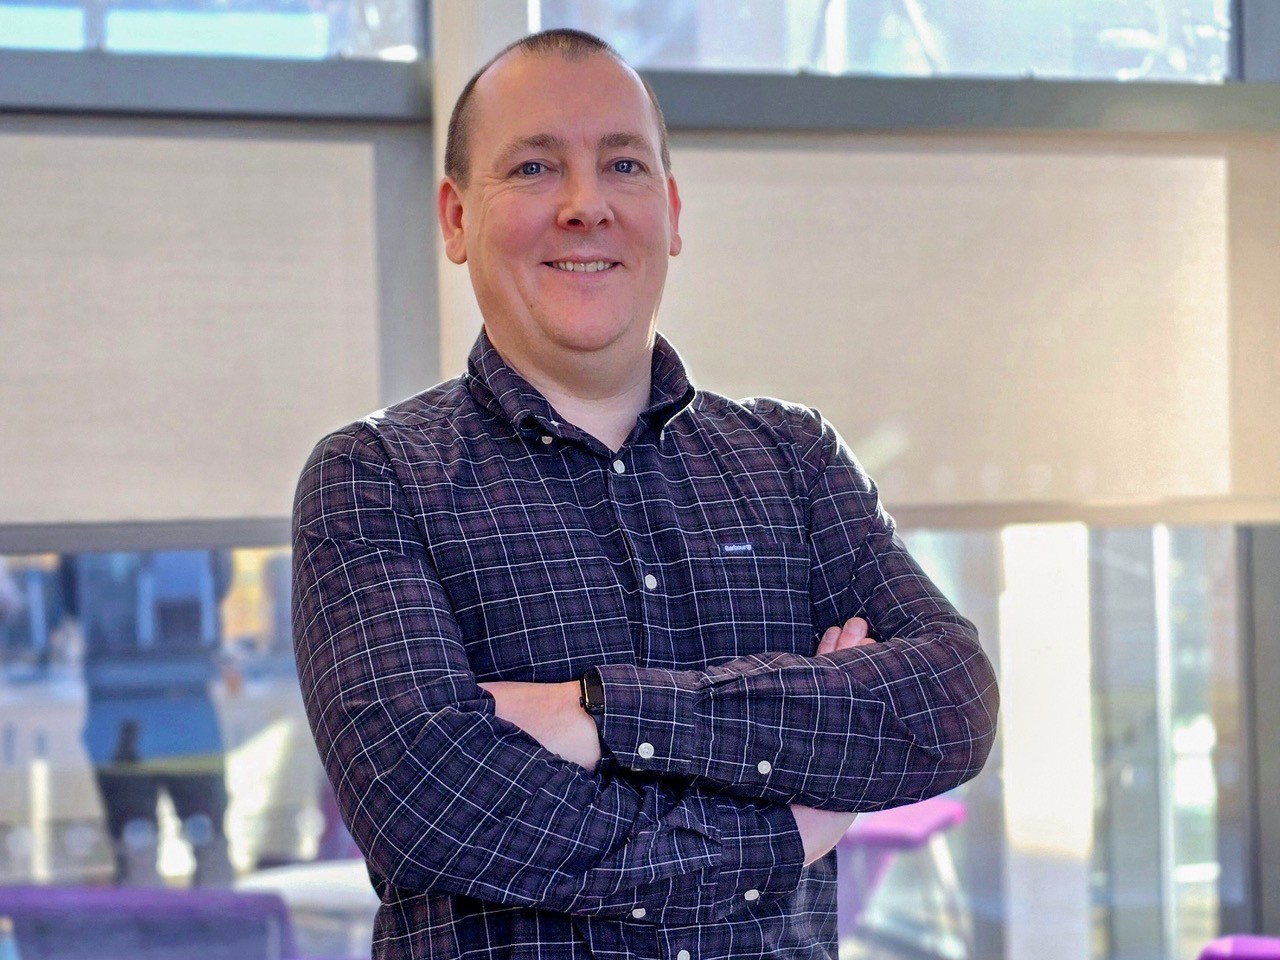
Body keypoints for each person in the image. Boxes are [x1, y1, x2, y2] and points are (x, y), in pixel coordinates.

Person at [292, 28, 998, 960]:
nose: (585, 206)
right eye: (535, 167)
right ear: (457, 219)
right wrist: (783, 827)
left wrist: (595, 713)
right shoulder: (373, 477)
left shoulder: (793, 458)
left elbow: (949, 704)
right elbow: (427, 797)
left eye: (622, 165)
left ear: (669, 211)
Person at [60, 550, 236, 887]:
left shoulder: (89, 540)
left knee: (144, 835)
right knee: (197, 832)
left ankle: (156, 912)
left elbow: (71, 601)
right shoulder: (193, 534)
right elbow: (219, 581)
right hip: (174, 699)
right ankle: (211, 914)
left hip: (126, 703)